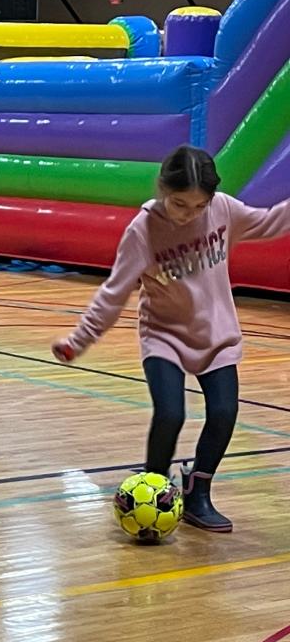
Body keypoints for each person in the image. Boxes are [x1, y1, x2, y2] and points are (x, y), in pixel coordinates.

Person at [52, 145, 290, 533]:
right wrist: (79, 339)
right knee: (170, 414)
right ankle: (154, 489)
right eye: (180, 205)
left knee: (225, 413)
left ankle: (198, 492)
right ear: (163, 188)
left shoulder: (224, 210)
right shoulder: (143, 231)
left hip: (217, 337)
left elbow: (270, 221)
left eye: (198, 207)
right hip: (164, 337)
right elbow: (114, 293)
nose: (188, 215)